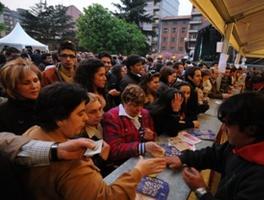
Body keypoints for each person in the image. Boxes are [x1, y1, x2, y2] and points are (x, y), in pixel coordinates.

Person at [22, 82, 166, 200]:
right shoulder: (73, 163)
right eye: (80, 113)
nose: (86, 119)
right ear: (59, 119)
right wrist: (139, 171)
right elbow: (107, 197)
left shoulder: (34, 132)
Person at [166, 92, 264, 200]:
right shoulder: (241, 144)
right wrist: (183, 158)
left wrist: (201, 190)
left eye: (228, 124)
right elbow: (215, 154)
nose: (224, 129)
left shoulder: (262, 179)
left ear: (251, 129)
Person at [103, 84, 164, 165]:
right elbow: (114, 150)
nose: (139, 109)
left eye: (141, 105)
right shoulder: (112, 117)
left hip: (143, 160)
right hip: (123, 164)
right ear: (124, 102)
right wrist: (143, 147)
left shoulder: (145, 113)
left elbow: (153, 137)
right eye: (135, 105)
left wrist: (151, 136)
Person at [0, 57, 41, 134]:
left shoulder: (48, 104)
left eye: (36, 80)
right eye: (26, 83)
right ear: (12, 86)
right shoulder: (4, 114)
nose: (34, 86)